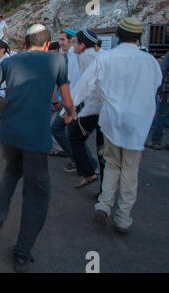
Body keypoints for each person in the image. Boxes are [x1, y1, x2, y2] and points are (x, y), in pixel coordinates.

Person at [0, 24, 75, 273]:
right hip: (36, 139)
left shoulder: (10, 63)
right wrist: (69, 112)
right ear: (48, 44)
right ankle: (22, 252)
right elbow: (67, 100)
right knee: (37, 196)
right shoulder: (57, 61)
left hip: (9, 133)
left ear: (25, 44)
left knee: (13, 170)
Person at [83, 18, 162, 234]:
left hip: (112, 121)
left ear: (118, 36)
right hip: (136, 125)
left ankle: (104, 205)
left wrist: (72, 110)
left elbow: (92, 87)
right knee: (129, 169)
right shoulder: (150, 62)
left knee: (111, 165)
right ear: (138, 38)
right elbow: (155, 86)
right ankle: (123, 217)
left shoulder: (107, 58)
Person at [51, 28, 97, 174]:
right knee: (68, 132)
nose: (60, 42)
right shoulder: (70, 55)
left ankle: (88, 164)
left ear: (72, 41)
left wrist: (69, 102)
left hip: (76, 102)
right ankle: (80, 161)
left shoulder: (77, 56)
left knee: (70, 133)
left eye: (63, 39)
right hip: (71, 100)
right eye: (59, 40)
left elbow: (77, 81)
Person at [68, 30, 105, 190]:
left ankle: (89, 172)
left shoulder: (86, 57)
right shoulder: (99, 54)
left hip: (96, 108)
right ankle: (103, 189)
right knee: (101, 150)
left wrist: (71, 108)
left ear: (82, 45)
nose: (73, 45)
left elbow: (85, 84)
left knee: (75, 137)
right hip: (104, 108)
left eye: (75, 42)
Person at [146, 51, 169, 150]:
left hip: (167, 91)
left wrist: (159, 90)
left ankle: (156, 141)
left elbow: (162, 70)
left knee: (161, 115)